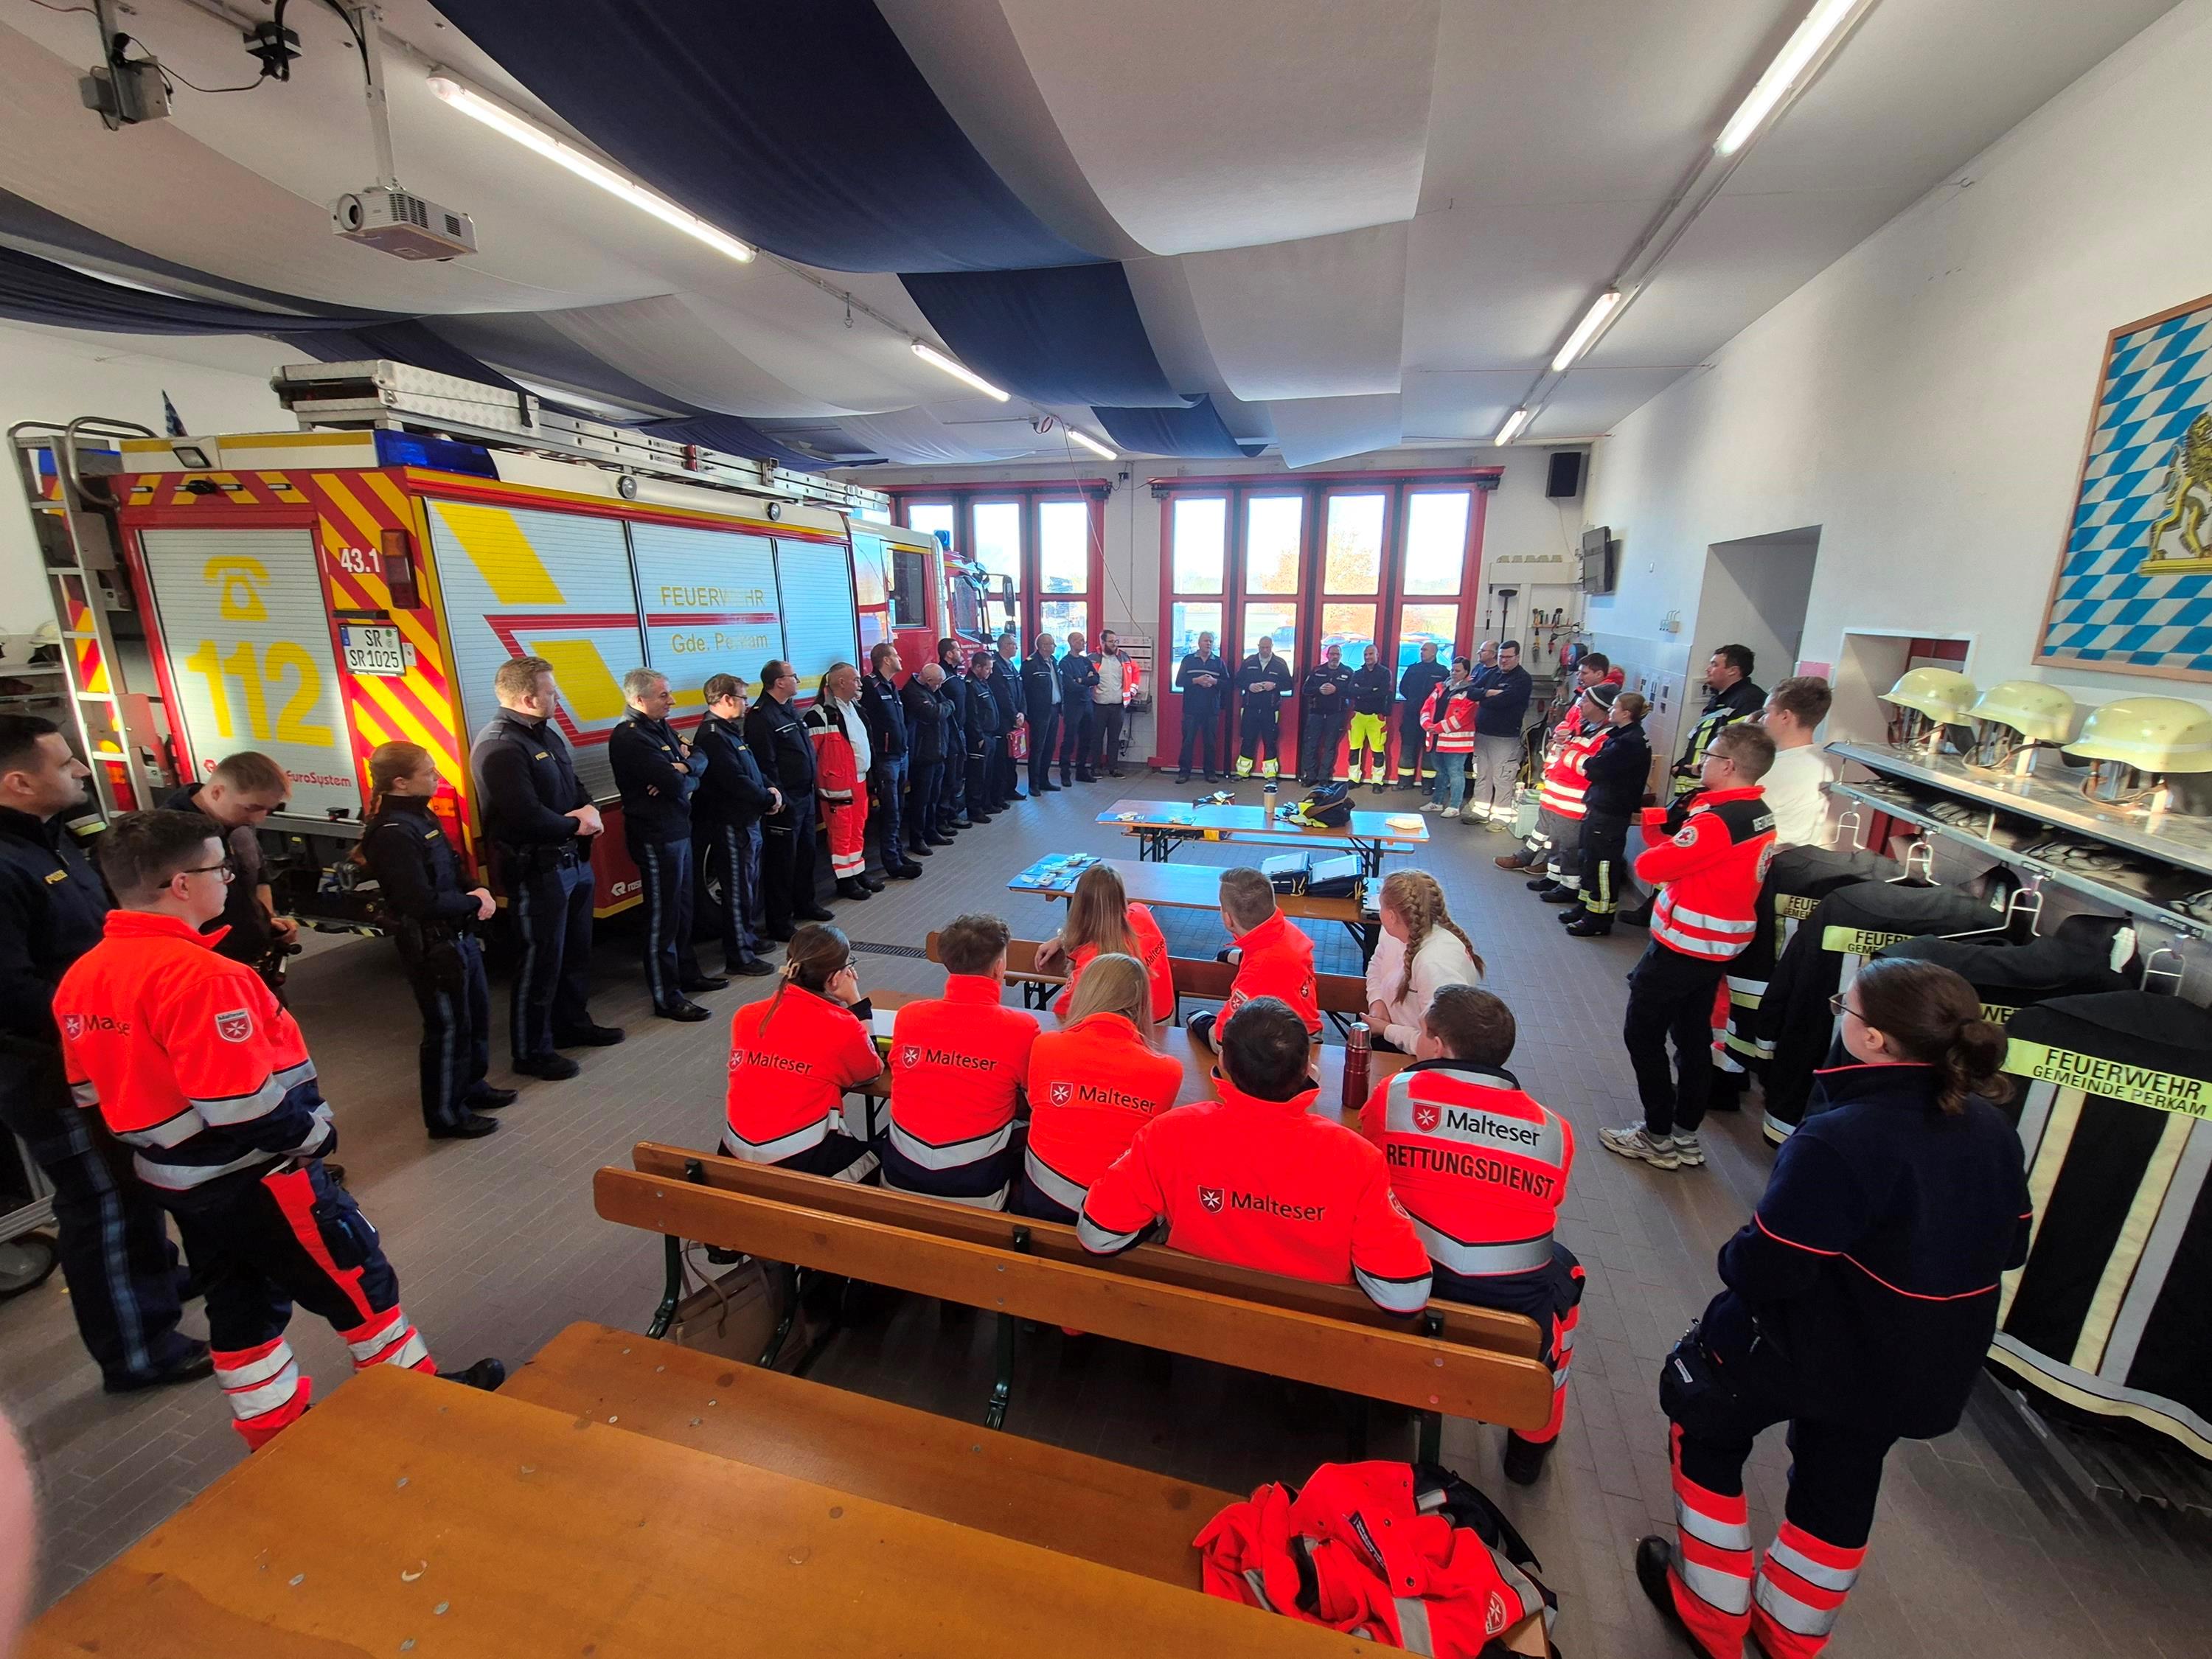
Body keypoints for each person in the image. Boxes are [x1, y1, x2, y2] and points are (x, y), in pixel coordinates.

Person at [56, 809, 502, 1450]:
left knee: (239, 1303)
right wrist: (312, 1140)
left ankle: (274, 1431)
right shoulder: (203, 977)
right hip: (257, 1177)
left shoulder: (84, 976)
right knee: (357, 1281)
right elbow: (241, 1104)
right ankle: (421, 1404)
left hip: (179, 1181)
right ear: (182, 884)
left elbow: (88, 1093)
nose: (229, 880)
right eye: (222, 868)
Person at [1637, 959, 2031, 1659]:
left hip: (1812, 1344)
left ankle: (1711, 1611)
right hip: (1918, 1361)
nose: (1838, 1018)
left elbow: (1766, 1266)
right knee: (1841, 1482)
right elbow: (2008, 1248)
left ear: (1874, 1039)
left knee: (1703, 1423)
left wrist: (1736, 1254)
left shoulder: (1844, 1135)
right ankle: (1789, 1634)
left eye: (1844, 1009)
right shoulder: (1991, 1126)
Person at [0, 715, 205, 1393]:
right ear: (20, 782)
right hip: (53, 1072)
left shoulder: (47, 844)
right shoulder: (6, 867)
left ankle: (157, 1282)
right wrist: (109, 1022)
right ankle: (138, 1348)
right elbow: (13, 991)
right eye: (66, 763)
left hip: (102, 1057)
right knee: (102, 1205)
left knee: (133, 1183)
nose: (84, 771)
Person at [1079, 998, 1432, 1314]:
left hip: (1194, 1329)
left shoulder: (1169, 1133)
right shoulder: (1357, 1158)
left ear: (1224, 1062)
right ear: (1307, 1070)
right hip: (1316, 1346)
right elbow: (1404, 1294)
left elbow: (1098, 1235)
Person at [1363, 984, 1581, 1485]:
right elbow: (1544, 1209)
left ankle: (1394, 1402)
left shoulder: (1395, 1095)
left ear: (1437, 1046)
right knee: (1566, 1278)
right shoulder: (1555, 1130)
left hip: (1404, 1294)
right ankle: (1534, 1438)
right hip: (1511, 1322)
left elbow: (1373, 1168)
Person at [1601, 724, 1777, 1171]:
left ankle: (1656, 1134)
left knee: (1642, 1033)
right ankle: (1685, 1135)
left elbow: (1652, 863)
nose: (1705, 762)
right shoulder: (1759, 812)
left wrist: (1665, 832)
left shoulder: (1716, 823)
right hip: (1718, 947)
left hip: (1682, 946)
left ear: (1730, 765)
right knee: (1694, 1038)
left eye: (1712, 755)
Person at [470, 655, 619, 1079]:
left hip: (572, 863)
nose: (557, 697)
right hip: (537, 871)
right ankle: (531, 1051)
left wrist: (588, 806)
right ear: (527, 697)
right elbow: (524, 816)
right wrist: (578, 823)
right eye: (551, 691)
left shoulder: (544, 735)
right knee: (540, 962)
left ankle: (571, 1023)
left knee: (574, 952)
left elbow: (574, 784)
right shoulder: (500, 746)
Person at [358, 742, 512, 1139]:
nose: (437, 777)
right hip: (431, 945)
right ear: (400, 782)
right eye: (428, 772)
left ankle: (472, 1086)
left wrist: (475, 890)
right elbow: (418, 900)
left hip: (456, 934)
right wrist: (470, 901)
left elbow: (450, 865)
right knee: (447, 1027)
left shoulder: (418, 815)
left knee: (475, 1015)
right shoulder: (392, 833)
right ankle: (446, 1114)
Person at [880, 913, 1040, 1208]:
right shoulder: (1022, 1029)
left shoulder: (909, 1017)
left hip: (899, 1178)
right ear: (999, 967)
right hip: (978, 1190)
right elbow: (1036, 1097)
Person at [1016, 953, 1183, 1222]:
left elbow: (1037, 1103)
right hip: (1113, 1215)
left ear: (1087, 992)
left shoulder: (1046, 1047)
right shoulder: (1168, 1070)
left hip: (1042, 1202)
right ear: (1142, 1002)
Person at [722, 922, 882, 1180]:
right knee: (886, 1155)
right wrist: (856, 1003)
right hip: (802, 1162)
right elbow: (871, 1071)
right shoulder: (841, 1025)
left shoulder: (746, 1015)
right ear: (834, 978)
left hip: (735, 1156)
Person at [608, 667, 717, 1023]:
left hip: (677, 830)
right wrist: (682, 775)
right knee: (664, 917)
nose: (671, 701)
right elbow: (674, 784)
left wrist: (684, 769)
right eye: (663, 696)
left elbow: (700, 758)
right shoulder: (631, 737)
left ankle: (688, 973)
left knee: (684, 909)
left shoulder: (660, 728)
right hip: (655, 836)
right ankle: (667, 996)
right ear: (639, 700)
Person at [161, 750, 295, 990]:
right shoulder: (171, 835)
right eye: (252, 808)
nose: (259, 818)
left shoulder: (236, 823)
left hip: (251, 971)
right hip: (211, 976)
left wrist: (267, 920)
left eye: (268, 810)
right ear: (217, 792)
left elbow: (258, 877)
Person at [692, 674, 778, 977]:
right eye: (743, 697)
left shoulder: (730, 731)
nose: (746, 703)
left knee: (750, 884)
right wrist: (767, 800)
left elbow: (751, 771)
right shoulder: (713, 735)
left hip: (747, 820)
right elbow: (734, 781)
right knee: (737, 889)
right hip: (730, 823)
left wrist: (770, 788)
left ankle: (749, 938)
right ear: (727, 699)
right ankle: (739, 955)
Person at [1186, 866, 1320, 1049]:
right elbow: (1268, 959)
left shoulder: (1256, 971)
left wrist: (1198, 1019)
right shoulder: (1287, 931)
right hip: (1306, 1030)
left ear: (1228, 919)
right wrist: (1235, 956)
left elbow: (1222, 1038)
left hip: (1289, 1048)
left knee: (1194, 1018)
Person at [747, 658, 833, 938]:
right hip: (786, 800)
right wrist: (779, 796)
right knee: (782, 863)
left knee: (806, 853)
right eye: (793, 676)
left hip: (804, 794)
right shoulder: (761, 716)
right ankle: (780, 922)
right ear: (779, 682)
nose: (797, 680)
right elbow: (765, 763)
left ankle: (805, 903)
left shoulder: (788, 709)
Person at [1034, 862, 1175, 1025]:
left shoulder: (1092, 960)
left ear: (1080, 906)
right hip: (1165, 1015)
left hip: (1137, 1031)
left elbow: (1063, 1014)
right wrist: (1062, 939)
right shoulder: (1141, 913)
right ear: (1120, 896)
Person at [1363, 869, 1483, 1052]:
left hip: (1415, 1053)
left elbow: (1440, 1044)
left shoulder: (1434, 965)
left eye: (1380, 905)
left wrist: (1387, 1030)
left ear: (1391, 916)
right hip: (1393, 1034)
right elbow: (1377, 963)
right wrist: (1377, 1001)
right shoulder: (1395, 931)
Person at [1564, 688, 1652, 938]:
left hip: (1611, 811)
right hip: (1601, 806)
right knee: (1588, 859)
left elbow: (1596, 769)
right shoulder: (1622, 736)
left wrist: (1571, 756)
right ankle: (1585, 906)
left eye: (1614, 708)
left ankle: (1598, 919)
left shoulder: (1629, 742)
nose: (1610, 711)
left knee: (1603, 865)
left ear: (1626, 713)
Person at [1523, 679, 1611, 898]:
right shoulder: (1584, 726)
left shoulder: (1605, 735)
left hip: (1575, 799)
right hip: (1558, 795)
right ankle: (1553, 878)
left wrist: (1565, 751)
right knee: (1555, 842)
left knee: (1569, 847)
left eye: (1586, 702)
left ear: (1600, 707)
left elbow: (1588, 765)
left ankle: (1569, 887)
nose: (1580, 705)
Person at [805, 661, 877, 903]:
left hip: (858, 780)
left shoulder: (853, 708)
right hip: (837, 786)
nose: (860, 683)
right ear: (842, 683)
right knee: (841, 835)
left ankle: (857, 872)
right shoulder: (819, 715)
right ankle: (845, 881)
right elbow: (811, 755)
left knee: (857, 829)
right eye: (856, 679)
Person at [1669, 644, 1766, 803]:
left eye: (1714, 664)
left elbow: (1736, 747)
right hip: (1697, 788)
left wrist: (1699, 768)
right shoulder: (1720, 699)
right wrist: (1684, 764)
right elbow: (1704, 737)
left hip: (1716, 790)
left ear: (1733, 670)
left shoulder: (1749, 700)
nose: (1708, 669)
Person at [861, 643, 922, 880]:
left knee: (898, 808)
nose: (900, 659)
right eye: (896, 655)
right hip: (886, 759)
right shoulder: (871, 686)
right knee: (890, 812)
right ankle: (892, 862)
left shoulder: (891, 686)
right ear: (886, 660)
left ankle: (897, 852)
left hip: (900, 754)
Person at [1759, 675, 1834, 847]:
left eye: (1767, 712)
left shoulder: (1774, 771)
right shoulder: (1821, 759)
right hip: (1800, 858)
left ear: (1785, 716)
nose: (1762, 720)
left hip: (1768, 862)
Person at [1472, 641, 1533, 831]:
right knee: (1482, 775)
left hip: (1505, 738)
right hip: (1483, 734)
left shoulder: (1522, 679)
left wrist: (1485, 698)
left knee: (1502, 777)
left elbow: (1505, 701)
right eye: (1500, 657)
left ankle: (1501, 817)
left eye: (1508, 657)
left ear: (1517, 657)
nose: (1503, 661)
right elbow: (1471, 692)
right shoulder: (1492, 673)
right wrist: (1489, 693)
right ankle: (1480, 811)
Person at [901, 661, 953, 852]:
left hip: (938, 751)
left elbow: (942, 708)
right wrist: (947, 706)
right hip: (923, 755)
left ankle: (931, 831)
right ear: (929, 680)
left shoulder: (932, 689)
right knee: (920, 800)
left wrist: (944, 706)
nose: (940, 687)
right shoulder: (913, 692)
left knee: (933, 797)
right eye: (938, 683)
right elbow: (933, 713)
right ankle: (917, 838)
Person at [1420, 657, 1478, 815]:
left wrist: (1437, 728)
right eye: (1452, 670)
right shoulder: (1441, 687)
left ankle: (1454, 806)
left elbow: (1463, 717)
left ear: (1466, 672)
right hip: (1437, 739)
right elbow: (1427, 707)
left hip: (1456, 742)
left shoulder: (1470, 691)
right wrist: (1427, 725)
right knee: (1440, 772)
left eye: (1458, 671)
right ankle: (1437, 802)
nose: (1453, 673)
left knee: (1455, 773)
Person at [1175, 630, 1229, 783]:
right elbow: (1179, 682)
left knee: (1210, 742)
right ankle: (1184, 772)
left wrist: (1215, 682)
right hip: (1191, 709)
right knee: (1188, 741)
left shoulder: (1219, 663)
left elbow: (1228, 685)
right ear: (1199, 643)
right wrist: (1196, 681)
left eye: (1211, 641)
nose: (1208, 643)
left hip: (1211, 710)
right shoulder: (1188, 660)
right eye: (1205, 641)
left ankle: (1210, 772)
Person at [1394, 641, 1450, 790]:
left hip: (1432, 719)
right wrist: (1414, 702)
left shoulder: (1443, 672)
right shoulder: (1413, 669)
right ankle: (1405, 781)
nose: (1422, 652)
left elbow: (1445, 694)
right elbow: (1403, 688)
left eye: (1425, 650)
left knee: (1429, 751)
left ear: (1434, 652)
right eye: (1421, 650)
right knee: (1408, 748)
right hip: (1412, 716)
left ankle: (1427, 785)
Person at [1236, 636, 1290, 779]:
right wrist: (1249, 686)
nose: (1265, 650)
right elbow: (1238, 680)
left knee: (1270, 740)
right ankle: (1242, 772)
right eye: (1262, 647)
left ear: (1272, 646)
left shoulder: (1280, 663)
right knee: (1247, 739)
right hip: (1250, 708)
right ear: (1258, 646)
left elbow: (1289, 684)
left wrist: (1275, 685)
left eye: (1268, 647)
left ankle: (1271, 774)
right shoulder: (1249, 662)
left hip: (1271, 710)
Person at [1298, 644, 1352, 785]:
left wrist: (1336, 690)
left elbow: (1352, 693)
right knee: (1311, 745)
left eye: (1337, 654)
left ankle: (1324, 778)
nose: (1334, 657)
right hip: (1316, 713)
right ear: (1327, 655)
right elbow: (1305, 690)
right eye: (1332, 654)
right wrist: (1319, 689)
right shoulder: (1317, 671)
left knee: (1330, 746)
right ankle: (1310, 776)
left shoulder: (1348, 672)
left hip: (1336, 714)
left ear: (1341, 656)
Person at [933, 638, 973, 828]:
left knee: (956, 777)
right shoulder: (944, 677)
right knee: (948, 778)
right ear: (949, 653)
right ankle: (942, 819)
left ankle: (952, 814)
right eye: (957, 649)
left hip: (960, 733)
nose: (961, 652)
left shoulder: (954, 675)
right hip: (949, 734)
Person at [1346, 644, 1395, 791]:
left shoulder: (1385, 673)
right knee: (1354, 749)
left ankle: (1377, 781)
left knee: (1378, 750)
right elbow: (1351, 690)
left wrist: (1361, 691)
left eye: (1371, 654)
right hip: (1358, 716)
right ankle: (1353, 778)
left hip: (1376, 717)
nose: (1368, 657)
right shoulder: (1358, 673)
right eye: (1366, 654)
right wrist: (1370, 690)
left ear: (1377, 655)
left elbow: (1382, 692)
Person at [1020, 631, 1064, 796]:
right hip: (1039, 713)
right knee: (1038, 748)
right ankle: (1034, 784)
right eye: (1052, 644)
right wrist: (1027, 713)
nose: (1055, 646)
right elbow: (1024, 690)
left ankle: (1045, 780)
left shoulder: (1053, 661)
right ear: (1044, 646)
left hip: (1054, 710)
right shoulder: (1031, 664)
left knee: (1049, 747)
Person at [964, 650, 1004, 824]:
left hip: (991, 734)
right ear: (977, 667)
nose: (990, 672)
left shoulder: (983, 682)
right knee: (977, 776)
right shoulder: (970, 685)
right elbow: (972, 715)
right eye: (987, 668)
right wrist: (978, 737)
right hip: (981, 737)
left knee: (989, 773)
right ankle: (975, 809)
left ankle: (986, 804)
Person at [1093, 629, 1139, 779]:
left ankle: (1113, 767)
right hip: (1098, 705)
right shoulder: (1092, 659)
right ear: (1102, 642)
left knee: (1114, 738)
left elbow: (1135, 673)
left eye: (1116, 641)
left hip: (1118, 706)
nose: (1115, 644)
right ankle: (1095, 767)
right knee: (1097, 738)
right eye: (1111, 641)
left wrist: (1132, 692)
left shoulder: (1124, 657)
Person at [1058, 632, 1100, 784]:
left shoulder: (1085, 661)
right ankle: (1065, 772)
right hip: (1073, 706)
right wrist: (1085, 682)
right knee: (1069, 739)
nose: (1084, 642)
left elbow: (1096, 679)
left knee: (1086, 739)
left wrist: (1081, 680)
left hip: (1087, 704)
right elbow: (1070, 685)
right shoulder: (1065, 663)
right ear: (1072, 642)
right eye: (1081, 640)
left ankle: (1082, 771)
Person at [991, 631, 1027, 806]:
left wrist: (1022, 712)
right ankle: (1000, 794)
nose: (1017, 647)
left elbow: (1021, 692)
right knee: (1003, 760)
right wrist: (1014, 715)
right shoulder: (997, 667)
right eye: (1014, 644)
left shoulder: (1011, 666)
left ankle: (1011, 789)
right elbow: (1003, 696)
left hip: (1015, 719)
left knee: (1013, 757)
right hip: (1004, 721)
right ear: (1005, 646)